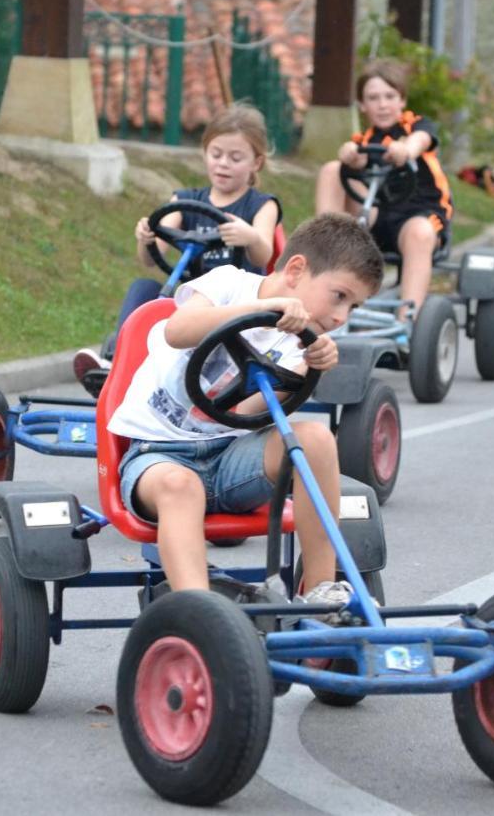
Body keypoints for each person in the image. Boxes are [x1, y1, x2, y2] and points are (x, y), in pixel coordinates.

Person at [107, 213, 384, 606]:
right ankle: (198, 610)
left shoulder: (302, 341)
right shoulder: (228, 284)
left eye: (353, 307)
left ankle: (321, 591)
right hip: (158, 455)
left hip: (230, 460)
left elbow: (247, 410)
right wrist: (264, 308)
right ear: (296, 269)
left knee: (317, 439)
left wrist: (309, 367)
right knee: (180, 486)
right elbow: (178, 330)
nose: (341, 317)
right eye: (339, 296)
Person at [72, 104, 283, 394]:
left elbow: (264, 255)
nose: (223, 164)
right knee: (144, 287)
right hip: (192, 303)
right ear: (205, 153)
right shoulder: (185, 200)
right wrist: (146, 236)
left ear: (256, 163)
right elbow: (149, 258)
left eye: (235, 158)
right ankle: (116, 362)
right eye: (216, 154)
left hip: (235, 305)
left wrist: (249, 237)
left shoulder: (261, 205)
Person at [314, 59, 454, 321]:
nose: (382, 104)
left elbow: (420, 140)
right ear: (362, 105)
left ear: (402, 100)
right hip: (377, 216)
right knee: (333, 169)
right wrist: (349, 155)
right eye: (373, 98)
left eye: (389, 96)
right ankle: (325, 248)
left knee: (419, 233)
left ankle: (406, 320)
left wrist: (406, 150)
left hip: (420, 215)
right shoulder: (365, 140)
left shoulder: (417, 126)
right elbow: (358, 159)